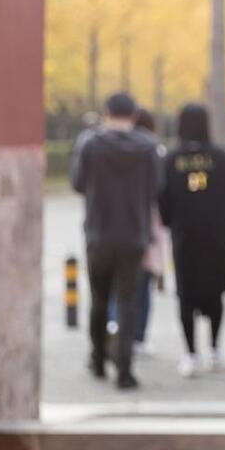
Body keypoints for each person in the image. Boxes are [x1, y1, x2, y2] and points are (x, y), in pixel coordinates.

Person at [70, 92, 160, 390]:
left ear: (106, 112)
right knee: (127, 301)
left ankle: (97, 358)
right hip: (134, 235)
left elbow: (78, 183)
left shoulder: (90, 144)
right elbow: (157, 188)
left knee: (99, 300)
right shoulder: (149, 148)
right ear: (134, 115)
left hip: (98, 233)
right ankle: (125, 370)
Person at [158, 103, 225, 378]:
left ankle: (190, 354)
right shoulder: (220, 157)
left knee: (186, 295)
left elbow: (161, 198)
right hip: (216, 236)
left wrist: (172, 222)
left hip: (185, 238)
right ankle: (215, 349)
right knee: (215, 293)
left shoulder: (171, 160)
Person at [107, 108, 167, 356]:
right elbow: (160, 192)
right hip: (145, 229)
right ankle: (138, 337)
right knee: (142, 287)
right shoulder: (155, 153)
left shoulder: (107, 149)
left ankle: (114, 325)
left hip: (110, 228)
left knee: (115, 285)